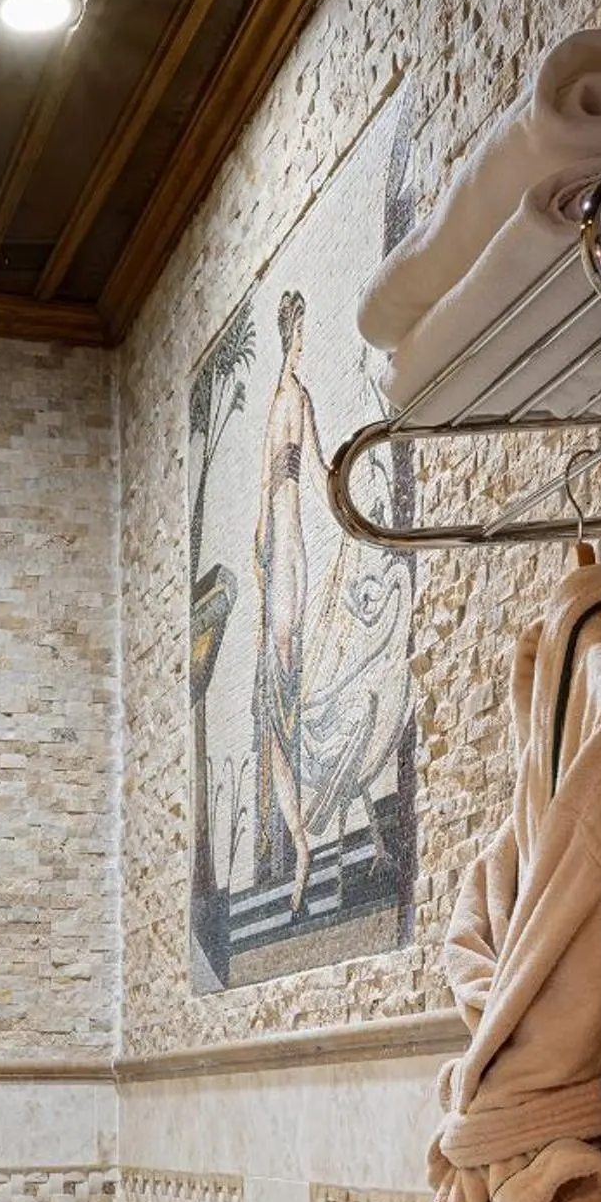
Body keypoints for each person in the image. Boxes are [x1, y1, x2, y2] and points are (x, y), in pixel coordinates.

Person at [252, 288, 326, 914]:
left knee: (282, 688)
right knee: (270, 702)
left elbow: (322, 470)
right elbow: (259, 496)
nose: (305, 346)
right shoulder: (279, 398)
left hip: (292, 549)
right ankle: (298, 841)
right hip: (274, 552)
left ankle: (302, 842)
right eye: (300, 337)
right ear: (288, 338)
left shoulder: (299, 399)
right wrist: (257, 552)